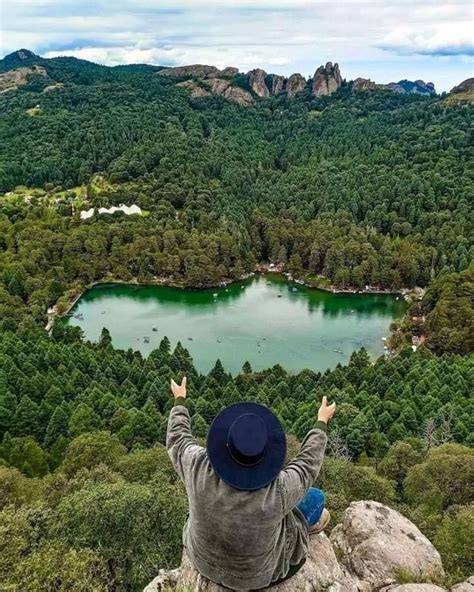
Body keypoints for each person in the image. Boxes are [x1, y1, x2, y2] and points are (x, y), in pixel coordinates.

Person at [167, 376, 336, 591]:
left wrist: (180, 400)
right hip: (256, 576)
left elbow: (178, 439)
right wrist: (321, 422)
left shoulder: (197, 466)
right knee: (316, 498)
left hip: (202, 560)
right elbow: (306, 466)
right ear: (265, 455)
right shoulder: (278, 490)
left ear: (224, 444)